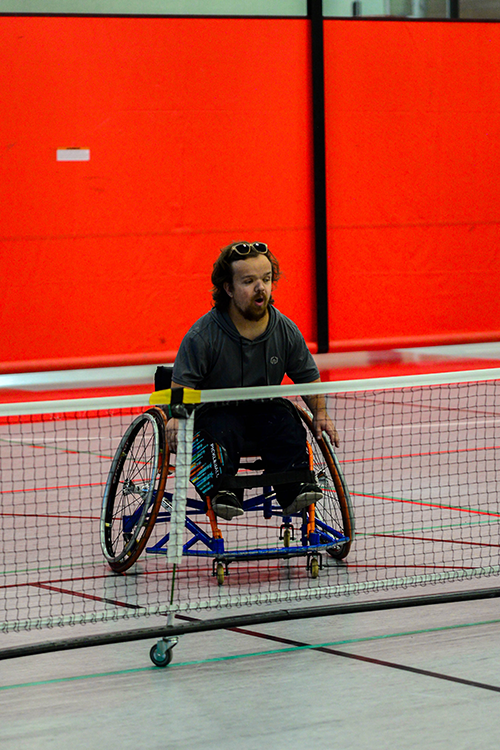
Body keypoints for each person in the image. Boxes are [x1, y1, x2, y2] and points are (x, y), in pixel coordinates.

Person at [166, 241, 339, 521]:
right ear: (229, 289)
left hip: (264, 413)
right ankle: (224, 492)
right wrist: (175, 418)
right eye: (249, 281)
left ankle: (295, 488)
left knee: (285, 417)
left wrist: (320, 412)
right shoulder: (202, 335)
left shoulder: (285, 330)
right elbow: (182, 386)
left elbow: (308, 376)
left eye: (266, 279)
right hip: (217, 413)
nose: (261, 288)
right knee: (221, 425)